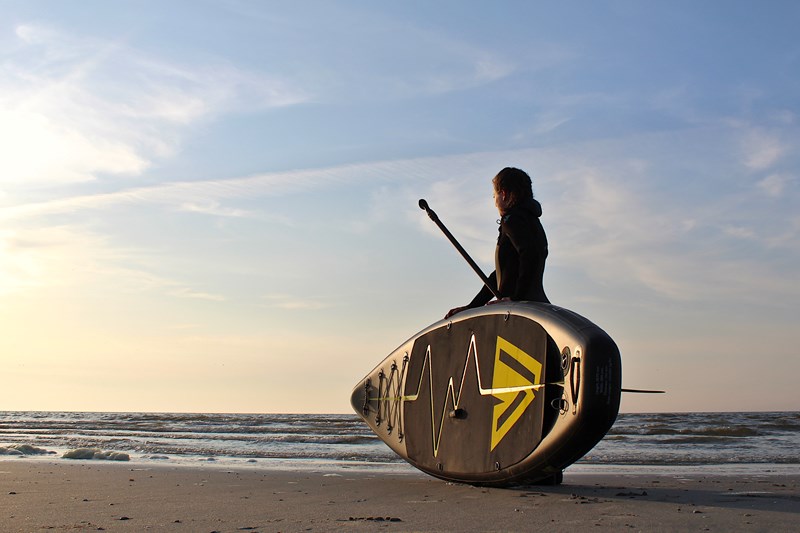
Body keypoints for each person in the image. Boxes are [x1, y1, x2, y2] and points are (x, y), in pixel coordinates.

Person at [446, 167, 549, 319]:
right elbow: (503, 272)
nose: (494, 202)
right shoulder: (530, 220)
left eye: (494, 195)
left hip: (519, 313)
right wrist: (472, 307)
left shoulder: (512, 220)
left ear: (504, 194)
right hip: (533, 306)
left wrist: (516, 298)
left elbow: (531, 254)